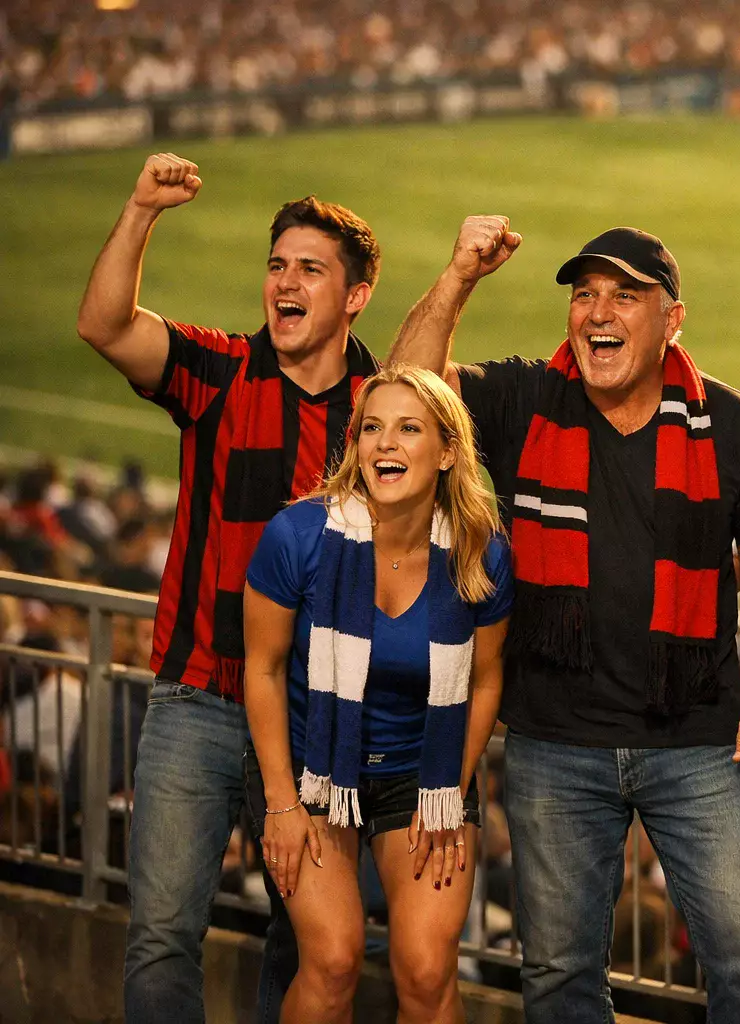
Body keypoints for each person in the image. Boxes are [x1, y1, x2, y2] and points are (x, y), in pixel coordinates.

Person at [389, 220, 740, 1022]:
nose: (597, 312)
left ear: (672, 318)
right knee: (559, 977)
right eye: (585, 294)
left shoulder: (728, 422)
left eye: (624, 295)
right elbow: (406, 389)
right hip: (554, 742)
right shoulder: (525, 398)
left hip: (698, 740)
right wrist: (460, 276)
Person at [75, 151, 381, 1023]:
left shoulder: (377, 410)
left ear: (354, 296)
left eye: (309, 270)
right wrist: (139, 210)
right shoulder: (216, 372)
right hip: (199, 697)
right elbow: (104, 325)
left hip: (317, 714)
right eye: (276, 264)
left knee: (310, 947)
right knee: (164, 932)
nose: (284, 282)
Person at [243, 365, 511, 1022]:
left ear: (448, 451)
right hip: (313, 772)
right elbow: (264, 669)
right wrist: (280, 801)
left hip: (423, 773)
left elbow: (484, 679)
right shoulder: (297, 537)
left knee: (425, 972)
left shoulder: (481, 550)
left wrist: (452, 786)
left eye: (409, 429)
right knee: (332, 962)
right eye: (372, 429)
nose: (386, 445)